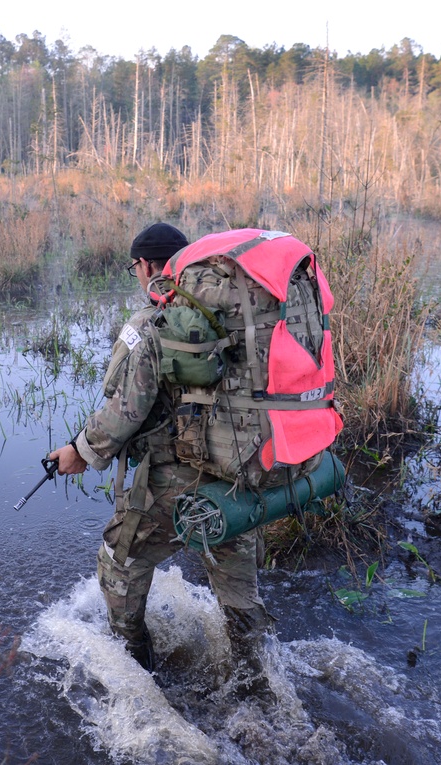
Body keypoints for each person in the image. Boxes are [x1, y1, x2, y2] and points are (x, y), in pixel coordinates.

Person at [48, 222, 273, 673]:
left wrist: (79, 450)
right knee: (237, 590)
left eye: (136, 266)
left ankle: (135, 665)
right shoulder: (233, 317)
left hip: (179, 477)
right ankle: (256, 678)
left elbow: (124, 412)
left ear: (150, 266)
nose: (137, 273)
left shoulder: (153, 324)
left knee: (120, 558)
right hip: (242, 474)